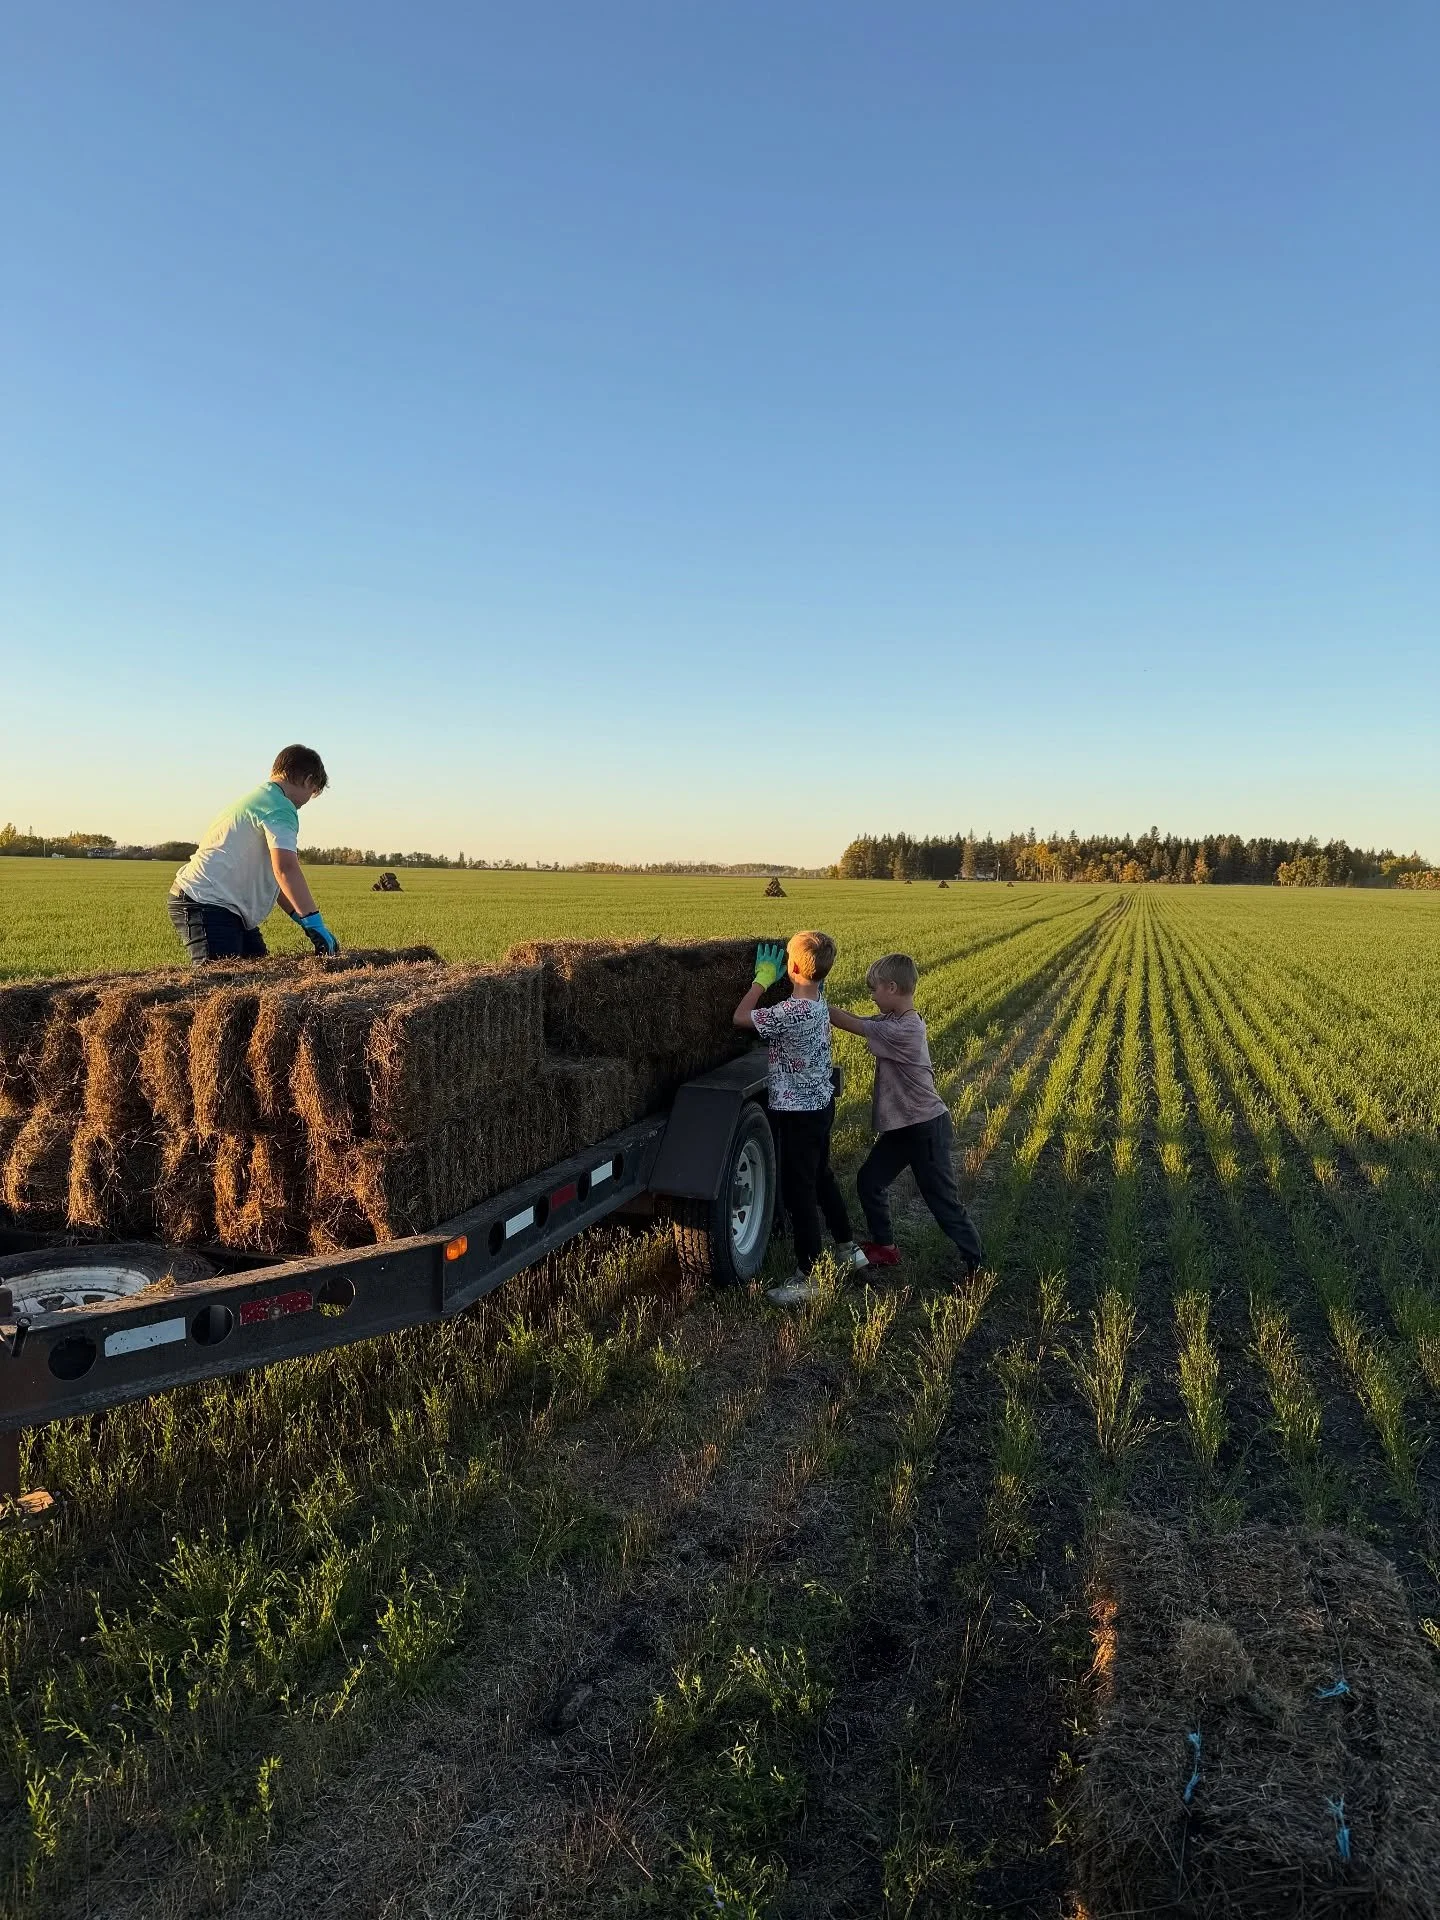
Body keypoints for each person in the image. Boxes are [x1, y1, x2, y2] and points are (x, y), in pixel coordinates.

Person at [733, 931, 869, 1305]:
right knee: (822, 1175)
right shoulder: (819, 1004)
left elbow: (740, 1018)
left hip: (797, 1112)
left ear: (790, 967)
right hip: (821, 1105)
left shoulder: (788, 1013)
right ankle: (848, 1248)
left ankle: (808, 1276)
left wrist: (761, 981)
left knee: (800, 1190)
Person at [829, 951, 983, 1279]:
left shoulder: (905, 1030)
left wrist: (811, 1001)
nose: (872, 996)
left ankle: (976, 1263)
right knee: (870, 1181)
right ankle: (885, 1247)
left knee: (942, 1201)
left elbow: (849, 1023)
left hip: (925, 1128)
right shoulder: (892, 1021)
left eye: (874, 989)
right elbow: (858, 1018)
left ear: (892, 988)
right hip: (904, 1127)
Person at [167, 745, 341, 963]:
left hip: (221, 905)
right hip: (207, 902)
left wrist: (306, 922)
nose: (306, 802)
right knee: (223, 980)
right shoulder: (280, 807)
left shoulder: (262, 798)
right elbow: (286, 869)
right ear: (308, 781)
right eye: (312, 792)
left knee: (257, 970)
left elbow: (278, 881)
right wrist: (315, 924)